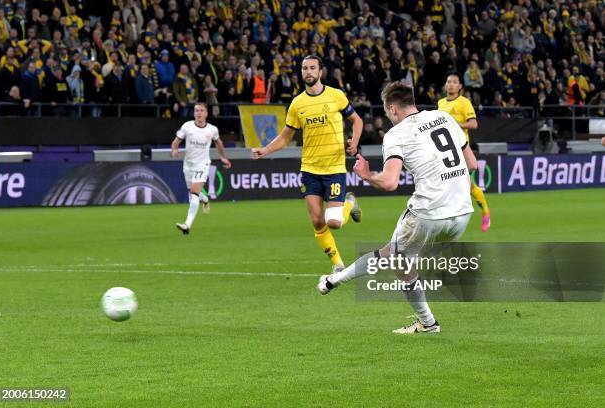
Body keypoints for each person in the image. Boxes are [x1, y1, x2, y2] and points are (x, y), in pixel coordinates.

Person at [318, 81, 478, 334]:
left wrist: (367, 174)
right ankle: (333, 280)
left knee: (393, 259)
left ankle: (427, 323)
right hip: (462, 214)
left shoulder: (396, 134)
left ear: (392, 108)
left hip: (429, 214)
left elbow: (390, 182)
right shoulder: (443, 117)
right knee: (396, 257)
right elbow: (472, 164)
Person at [251, 55, 364, 273]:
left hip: (333, 168)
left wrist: (355, 142)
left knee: (334, 222)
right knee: (316, 220)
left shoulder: (336, 96)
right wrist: (264, 150)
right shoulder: (297, 104)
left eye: (312, 68)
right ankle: (338, 264)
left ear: (320, 72)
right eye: (304, 68)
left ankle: (350, 203)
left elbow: (357, 120)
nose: (308, 72)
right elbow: (285, 137)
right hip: (310, 169)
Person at [438, 71, 491, 232]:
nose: (451, 84)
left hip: (461, 148)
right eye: (449, 81)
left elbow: (473, 124)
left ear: (460, 86)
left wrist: (454, 124)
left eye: (454, 82)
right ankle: (483, 211)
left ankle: (484, 211)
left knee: (459, 183)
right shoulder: (440, 103)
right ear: (445, 85)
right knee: (462, 184)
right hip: (444, 149)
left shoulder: (464, 102)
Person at [171, 103, 232, 235]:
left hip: (203, 164)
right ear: (194, 113)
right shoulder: (187, 127)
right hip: (188, 164)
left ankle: (187, 225)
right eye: (196, 111)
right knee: (192, 192)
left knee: (193, 193)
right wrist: (175, 150)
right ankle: (205, 199)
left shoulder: (212, 129)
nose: (199, 113)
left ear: (206, 113)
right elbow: (176, 142)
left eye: (201, 110)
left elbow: (219, 143)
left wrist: (222, 158)